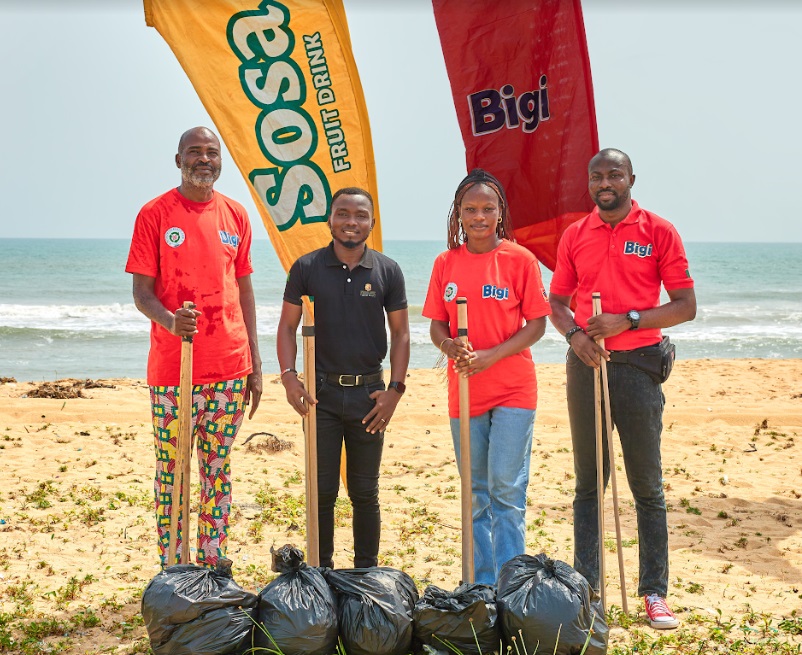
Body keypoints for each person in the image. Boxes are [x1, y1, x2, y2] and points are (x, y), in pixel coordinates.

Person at [549, 148, 696, 629]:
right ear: (588, 183)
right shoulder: (575, 234)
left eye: (615, 174)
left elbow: (684, 305)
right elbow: (556, 301)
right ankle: (587, 589)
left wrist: (627, 319)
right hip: (586, 363)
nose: (605, 182)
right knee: (590, 483)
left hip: (639, 364)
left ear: (631, 178)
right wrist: (574, 336)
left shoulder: (658, 230)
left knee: (646, 486)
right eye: (597, 176)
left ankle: (654, 592)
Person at [125, 126, 262, 568]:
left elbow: (243, 292)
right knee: (173, 474)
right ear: (178, 159)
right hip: (173, 373)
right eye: (195, 152)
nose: (204, 159)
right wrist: (170, 321)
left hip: (229, 368)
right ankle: (173, 563)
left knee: (217, 472)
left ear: (221, 161)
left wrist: (255, 364)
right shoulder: (155, 214)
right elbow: (142, 293)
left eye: (212, 153)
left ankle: (212, 559)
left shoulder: (236, 215)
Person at [422, 168, 550, 585]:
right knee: (476, 495)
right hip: (465, 390)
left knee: (506, 492)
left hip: (513, 388)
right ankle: (481, 583)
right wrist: (449, 347)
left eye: (487, 208)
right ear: (457, 214)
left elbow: (537, 325)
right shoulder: (446, 263)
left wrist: (491, 355)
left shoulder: (520, 259)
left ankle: (511, 585)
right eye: (470, 209)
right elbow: (437, 326)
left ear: (500, 212)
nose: (479, 216)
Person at [276, 187, 410, 569]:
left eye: (361, 215)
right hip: (321, 396)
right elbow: (287, 327)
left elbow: (401, 333)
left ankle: (366, 572)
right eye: (343, 214)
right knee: (322, 493)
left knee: (365, 491)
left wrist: (394, 391)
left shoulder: (387, 270)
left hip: (371, 395)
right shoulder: (306, 268)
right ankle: (323, 573)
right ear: (329, 219)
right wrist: (289, 378)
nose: (352, 222)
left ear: (371, 221)